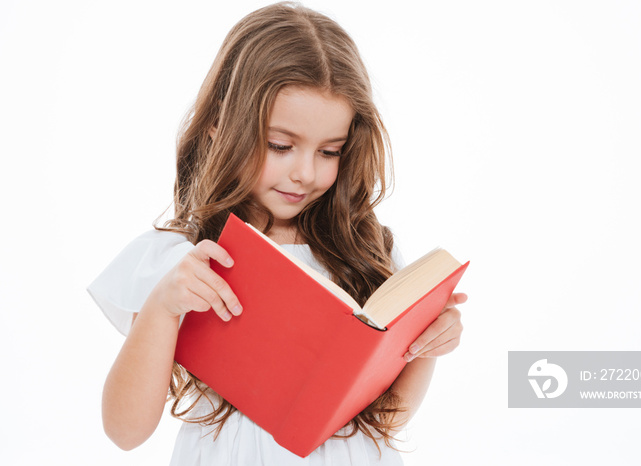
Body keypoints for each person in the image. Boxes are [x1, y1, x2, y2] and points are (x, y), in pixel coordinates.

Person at [89, 2, 467, 465]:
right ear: (217, 128)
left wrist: (424, 346)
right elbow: (125, 431)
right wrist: (163, 306)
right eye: (281, 146)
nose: (304, 173)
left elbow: (385, 422)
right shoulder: (181, 259)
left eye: (329, 151)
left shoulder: (367, 253)